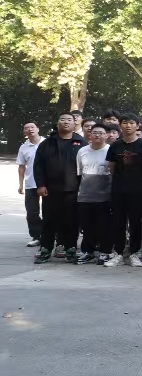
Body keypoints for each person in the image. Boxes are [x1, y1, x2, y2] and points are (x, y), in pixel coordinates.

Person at [32, 112, 86, 264]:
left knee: (71, 221)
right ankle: (45, 249)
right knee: (49, 220)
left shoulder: (81, 142)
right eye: (63, 119)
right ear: (58, 123)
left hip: (73, 190)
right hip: (50, 189)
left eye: (69, 119)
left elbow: (85, 166)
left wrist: (83, 187)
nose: (66, 122)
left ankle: (70, 249)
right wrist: (40, 185)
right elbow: (38, 165)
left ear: (74, 124)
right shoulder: (47, 143)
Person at [106, 113, 142, 267]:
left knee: (136, 222)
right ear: (120, 125)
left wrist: (141, 183)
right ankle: (118, 253)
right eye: (125, 122)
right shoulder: (115, 146)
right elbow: (111, 167)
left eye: (131, 123)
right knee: (118, 221)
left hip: (138, 190)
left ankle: (134, 253)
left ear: (137, 125)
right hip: (118, 189)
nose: (128, 125)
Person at [76, 124, 114, 264]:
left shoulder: (111, 150)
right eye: (94, 132)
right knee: (87, 227)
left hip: (105, 196)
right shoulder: (82, 151)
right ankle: (88, 251)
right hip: (85, 196)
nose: (97, 135)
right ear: (89, 135)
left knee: (104, 226)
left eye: (101, 133)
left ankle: (105, 252)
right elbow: (79, 173)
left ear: (106, 135)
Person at [17, 121, 42, 247]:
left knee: (51, 211)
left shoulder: (47, 143)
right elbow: (21, 166)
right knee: (32, 213)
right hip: (31, 183)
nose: (30, 129)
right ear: (24, 132)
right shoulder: (23, 147)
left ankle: (52, 235)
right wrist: (21, 184)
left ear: (38, 129)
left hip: (48, 183)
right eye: (26, 128)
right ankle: (37, 236)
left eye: (32, 127)